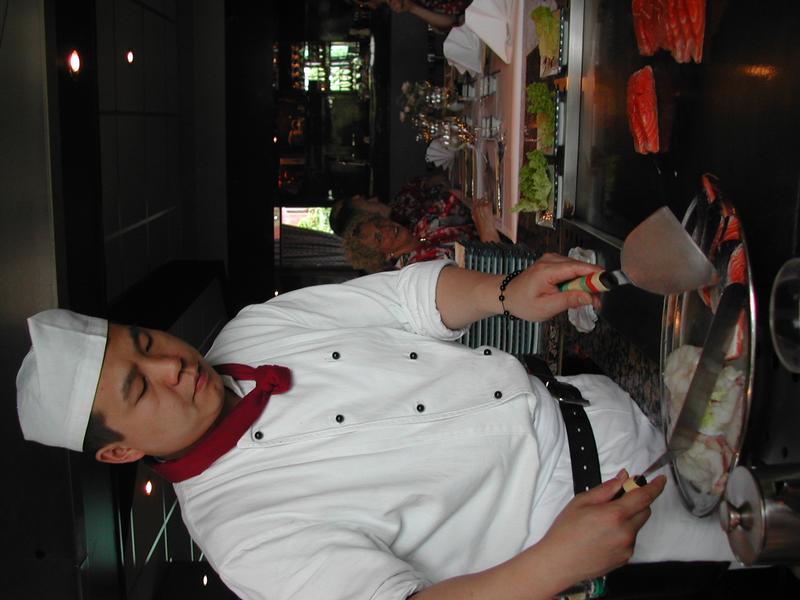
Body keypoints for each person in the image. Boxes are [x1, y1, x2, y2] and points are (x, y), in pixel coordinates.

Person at [16, 257, 734, 600]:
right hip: (614, 528)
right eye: (140, 387)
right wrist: (559, 562)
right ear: (122, 450)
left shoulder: (252, 330)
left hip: (609, 400)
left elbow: (405, 298)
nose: (171, 365)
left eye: (145, 342)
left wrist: (505, 293)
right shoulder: (241, 537)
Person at [342, 197, 499, 272]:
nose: (386, 229)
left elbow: (456, 197)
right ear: (384, 256)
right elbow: (489, 272)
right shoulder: (419, 270)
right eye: (379, 238)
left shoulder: (422, 227)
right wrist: (486, 229)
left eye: (379, 223)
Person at [330, 174, 462, 237]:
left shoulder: (401, 201)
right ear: (362, 219)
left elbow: (434, 181)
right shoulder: (403, 237)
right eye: (367, 202)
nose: (375, 199)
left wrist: (430, 183)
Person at [366, 0, 471, 32]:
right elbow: (451, 21)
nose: (372, 6)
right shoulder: (404, 4)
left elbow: (451, 20)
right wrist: (411, 7)